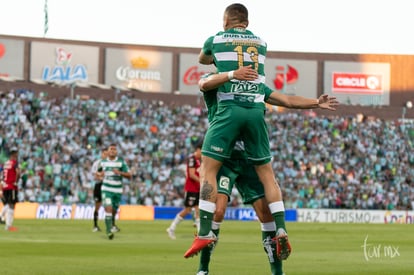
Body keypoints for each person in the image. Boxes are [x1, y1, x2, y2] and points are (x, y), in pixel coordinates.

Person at [195, 68, 338, 274]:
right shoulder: (216, 78)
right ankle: (203, 269)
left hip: (248, 160)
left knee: (266, 215)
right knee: (218, 211)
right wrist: (231, 74)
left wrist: (316, 102)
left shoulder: (253, 85)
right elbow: (204, 84)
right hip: (223, 159)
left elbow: (286, 100)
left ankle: (277, 271)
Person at [185, 3, 290, 259]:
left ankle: (204, 232)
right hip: (255, 111)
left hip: (230, 122)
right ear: (247, 21)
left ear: (226, 20)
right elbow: (286, 100)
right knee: (268, 175)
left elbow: (203, 64)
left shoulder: (216, 42)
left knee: (208, 170)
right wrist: (316, 103)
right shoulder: (262, 43)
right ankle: (282, 230)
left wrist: (229, 71)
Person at [166, 142, 202, 240]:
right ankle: (171, 228)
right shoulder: (192, 159)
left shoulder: (199, 160)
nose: (202, 153)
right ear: (198, 149)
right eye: (202, 151)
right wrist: (202, 181)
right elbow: (191, 174)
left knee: (198, 210)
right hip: (191, 188)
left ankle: (200, 234)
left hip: (197, 188)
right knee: (187, 210)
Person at [95, 143, 132, 239]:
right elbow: (98, 174)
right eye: (110, 149)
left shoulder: (121, 162)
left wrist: (119, 172)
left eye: (114, 149)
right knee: (108, 208)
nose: (112, 151)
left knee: (114, 210)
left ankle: (111, 223)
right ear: (107, 151)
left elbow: (129, 175)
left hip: (117, 190)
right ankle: (109, 231)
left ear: (117, 152)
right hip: (106, 189)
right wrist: (100, 175)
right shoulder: (102, 162)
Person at [0, 147, 20, 231]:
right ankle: (8, 225)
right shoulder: (14, 162)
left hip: (5, 186)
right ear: (14, 154)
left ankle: (5, 222)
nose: (17, 154)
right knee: (12, 205)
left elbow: (2, 175)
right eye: (16, 153)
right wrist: (16, 181)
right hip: (11, 186)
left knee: (9, 204)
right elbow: (18, 172)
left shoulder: (6, 163)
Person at [91, 147, 108, 232]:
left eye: (107, 154)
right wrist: (101, 176)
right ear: (102, 154)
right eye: (104, 153)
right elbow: (95, 175)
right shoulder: (97, 163)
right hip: (99, 185)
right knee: (97, 206)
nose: (105, 155)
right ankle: (95, 225)